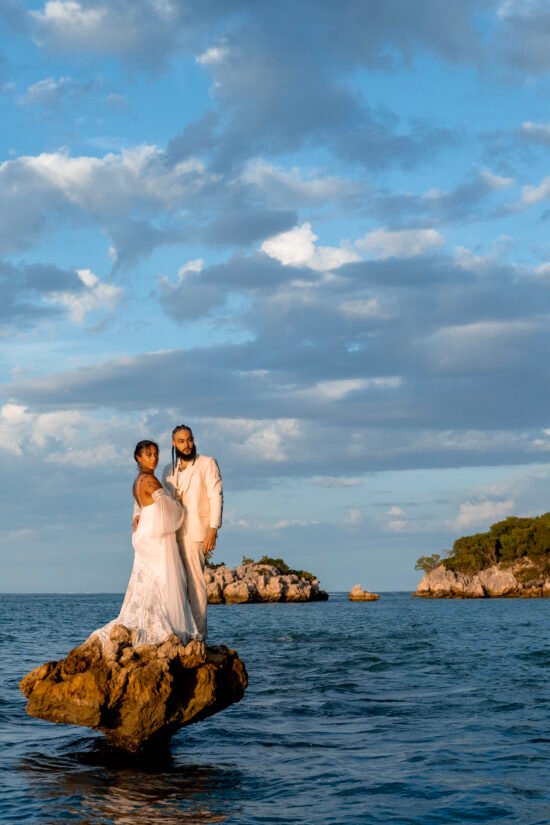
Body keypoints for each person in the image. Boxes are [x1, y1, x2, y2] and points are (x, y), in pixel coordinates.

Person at [91, 440, 199, 646]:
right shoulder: (150, 480)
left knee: (150, 581)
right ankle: (161, 627)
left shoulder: (138, 480)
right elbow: (171, 510)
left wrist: (139, 514)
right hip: (155, 535)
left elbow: (141, 503)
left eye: (156, 454)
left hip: (146, 533)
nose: (154, 458)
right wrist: (181, 505)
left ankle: (150, 622)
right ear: (138, 458)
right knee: (163, 579)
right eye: (148, 454)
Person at [162, 425, 223, 642]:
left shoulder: (207, 463)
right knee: (175, 585)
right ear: (173, 443)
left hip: (196, 533)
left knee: (196, 586)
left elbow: (216, 496)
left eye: (189, 440)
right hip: (171, 534)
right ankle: (179, 633)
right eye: (181, 441)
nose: (186, 445)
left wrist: (213, 529)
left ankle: (199, 637)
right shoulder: (168, 471)